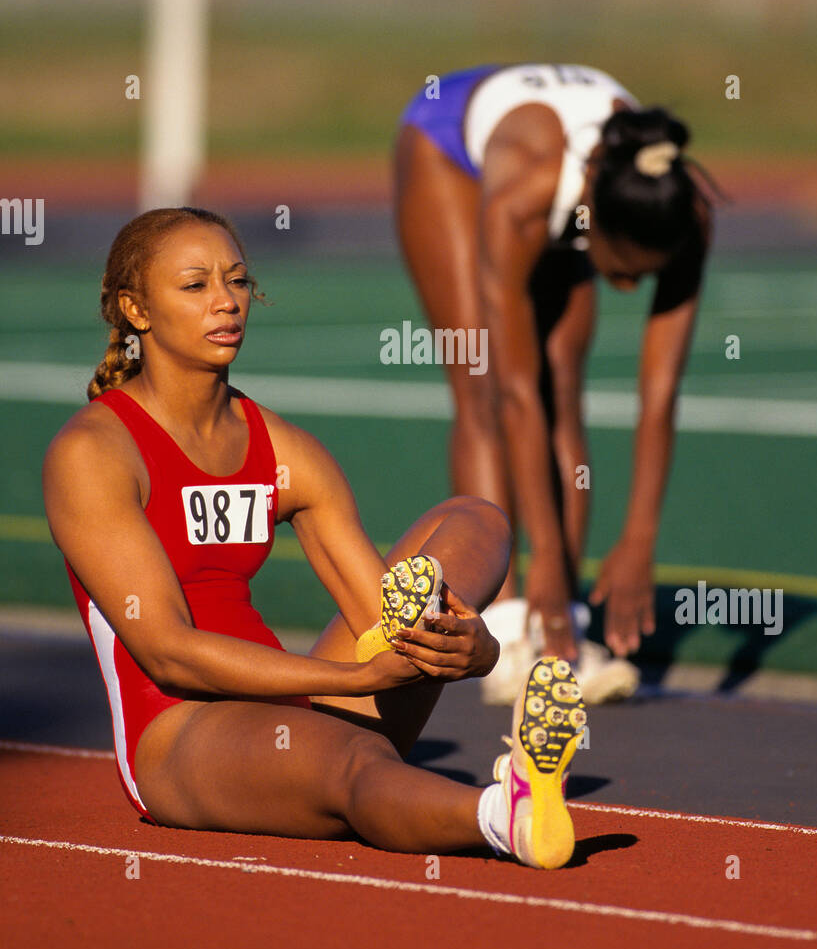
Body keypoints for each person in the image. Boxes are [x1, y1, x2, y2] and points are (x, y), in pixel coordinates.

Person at [42, 206, 586, 870]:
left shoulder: (287, 451)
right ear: (136, 309)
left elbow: (372, 618)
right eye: (196, 286)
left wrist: (476, 650)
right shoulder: (95, 451)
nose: (226, 302)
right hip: (181, 733)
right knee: (352, 760)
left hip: (299, 702)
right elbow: (168, 654)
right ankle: (509, 814)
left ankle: (431, 662)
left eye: (237, 281)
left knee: (476, 519)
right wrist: (358, 676)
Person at [394, 63, 716, 704]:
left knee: (564, 385)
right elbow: (516, 397)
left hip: (570, 186)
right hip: (450, 150)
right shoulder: (522, 198)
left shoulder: (685, 212)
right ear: (591, 219)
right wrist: (539, 554)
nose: (626, 288)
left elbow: (659, 393)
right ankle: (509, 627)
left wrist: (639, 539)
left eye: (643, 278)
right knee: (483, 380)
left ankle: (562, 622)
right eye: (620, 272)